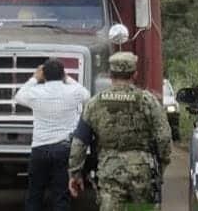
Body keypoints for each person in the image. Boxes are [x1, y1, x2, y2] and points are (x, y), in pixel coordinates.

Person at [68, 52, 172, 211]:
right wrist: (163, 163)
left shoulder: (95, 103)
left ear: (110, 75)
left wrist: (75, 174)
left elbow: (79, 142)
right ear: (135, 74)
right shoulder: (147, 101)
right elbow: (163, 137)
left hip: (109, 170)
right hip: (142, 171)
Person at [15, 59, 90, 211]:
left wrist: (35, 78)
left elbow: (19, 96)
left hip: (39, 149)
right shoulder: (72, 92)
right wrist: (67, 77)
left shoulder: (35, 92)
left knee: (34, 194)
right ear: (62, 74)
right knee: (61, 194)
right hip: (64, 149)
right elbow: (86, 94)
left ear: (44, 75)